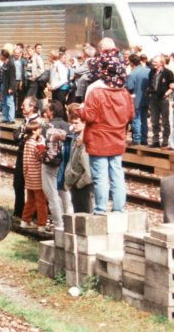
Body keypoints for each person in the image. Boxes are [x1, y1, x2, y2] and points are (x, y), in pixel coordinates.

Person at [76, 39, 134, 214]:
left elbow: (89, 116)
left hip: (98, 140)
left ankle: (100, 209)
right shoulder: (124, 92)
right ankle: (118, 208)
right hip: (117, 138)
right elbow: (130, 115)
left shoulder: (95, 90)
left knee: (100, 176)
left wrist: (80, 110)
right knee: (117, 174)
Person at [41, 100, 71, 230]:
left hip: (50, 162)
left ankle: (59, 224)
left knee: (51, 193)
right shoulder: (68, 126)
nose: (44, 112)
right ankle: (69, 220)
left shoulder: (46, 127)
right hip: (66, 162)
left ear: (51, 112)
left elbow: (41, 145)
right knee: (64, 191)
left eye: (46, 109)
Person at [13, 96, 41, 219]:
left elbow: (24, 139)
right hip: (21, 156)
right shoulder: (25, 121)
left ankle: (33, 213)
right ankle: (18, 211)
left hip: (32, 158)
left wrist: (22, 136)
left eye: (24, 105)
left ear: (32, 107)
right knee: (18, 184)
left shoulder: (38, 122)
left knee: (33, 186)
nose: (21, 107)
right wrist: (21, 136)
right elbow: (16, 135)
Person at [64, 103, 94, 213]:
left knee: (84, 215)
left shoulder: (85, 143)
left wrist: (79, 184)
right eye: (72, 123)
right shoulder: (75, 138)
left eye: (76, 123)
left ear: (85, 123)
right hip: (75, 185)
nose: (73, 126)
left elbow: (89, 172)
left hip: (82, 187)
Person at [21, 121, 49, 232]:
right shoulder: (35, 144)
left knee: (30, 200)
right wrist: (42, 144)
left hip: (29, 175)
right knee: (41, 201)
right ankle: (41, 224)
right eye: (39, 129)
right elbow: (41, 156)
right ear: (34, 130)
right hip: (37, 176)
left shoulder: (27, 143)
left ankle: (25, 220)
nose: (40, 130)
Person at [146, 55, 174, 149]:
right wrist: (150, 93)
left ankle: (165, 141)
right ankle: (155, 141)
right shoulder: (151, 72)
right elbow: (150, 84)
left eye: (155, 62)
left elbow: (172, 86)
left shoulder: (168, 72)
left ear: (161, 63)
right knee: (154, 121)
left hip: (164, 100)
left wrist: (166, 94)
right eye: (153, 61)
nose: (153, 63)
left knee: (165, 121)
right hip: (153, 99)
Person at [125, 53, 150, 146]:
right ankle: (144, 139)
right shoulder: (148, 71)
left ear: (131, 63)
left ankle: (136, 140)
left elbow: (130, 87)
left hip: (135, 100)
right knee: (144, 119)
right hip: (146, 98)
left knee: (136, 120)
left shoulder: (132, 73)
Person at [0, 46, 17, 124]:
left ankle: (11, 118)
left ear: (4, 56)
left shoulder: (11, 64)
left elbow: (13, 77)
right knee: (4, 102)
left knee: (10, 102)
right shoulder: (4, 63)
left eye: (1, 55)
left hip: (8, 86)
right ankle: (5, 117)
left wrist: (11, 88)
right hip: (3, 84)